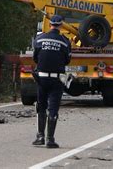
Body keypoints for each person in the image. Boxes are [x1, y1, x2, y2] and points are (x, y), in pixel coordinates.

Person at [32, 15, 71, 148]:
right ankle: (50, 139)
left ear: (50, 25)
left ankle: (40, 136)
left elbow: (35, 57)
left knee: (41, 106)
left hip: (41, 78)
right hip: (56, 79)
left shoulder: (39, 39)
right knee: (53, 108)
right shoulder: (64, 41)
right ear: (61, 25)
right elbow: (67, 60)